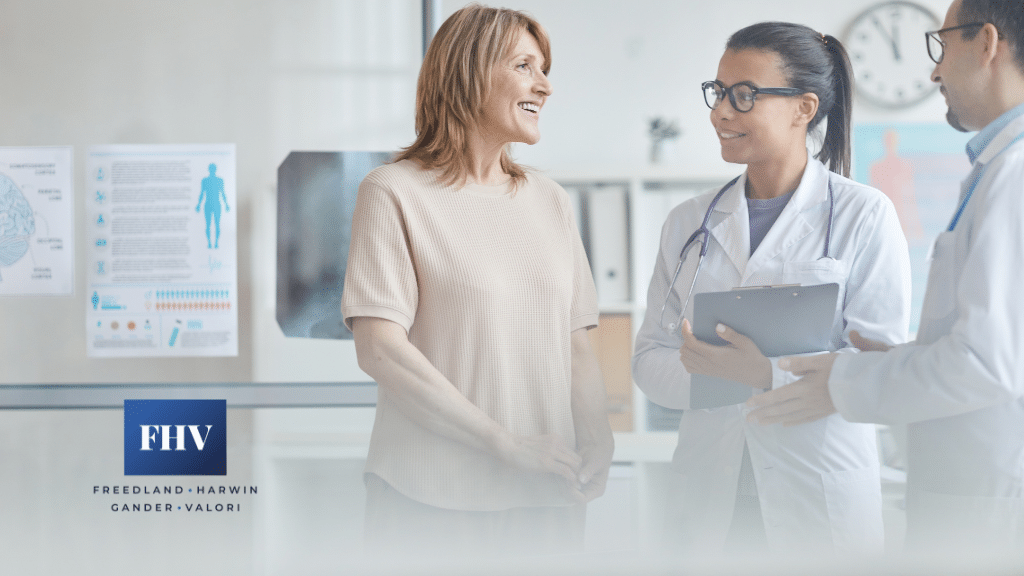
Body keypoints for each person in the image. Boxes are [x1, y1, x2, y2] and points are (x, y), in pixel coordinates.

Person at [747, 0, 1024, 555]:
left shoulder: (1014, 176)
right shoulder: (999, 168)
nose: (935, 71)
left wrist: (845, 382)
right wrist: (890, 365)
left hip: (988, 500)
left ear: (987, 43)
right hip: (970, 489)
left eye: (941, 45)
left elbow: (987, 363)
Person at [341, 4, 614, 559]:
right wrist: (505, 445)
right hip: (430, 500)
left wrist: (599, 441)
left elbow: (575, 340)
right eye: (525, 66)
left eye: (544, 68)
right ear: (468, 73)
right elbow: (380, 351)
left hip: (548, 498)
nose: (545, 85)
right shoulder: (393, 191)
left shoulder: (549, 199)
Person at [631, 22, 911, 557]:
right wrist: (718, 377)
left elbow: (880, 366)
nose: (720, 113)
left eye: (744, 96)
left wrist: (760, 374)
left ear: (803, 108)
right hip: (711, 495)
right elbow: (649, 359)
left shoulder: (863, 215)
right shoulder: (687, 221)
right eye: (718, 93)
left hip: (816, 496)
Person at [196, 163, 228, 249]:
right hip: (208, 204)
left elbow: (223, 193)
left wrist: (226, 204)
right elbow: (202, 193)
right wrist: (199, 204)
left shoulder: (220, 180)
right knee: (208, 225)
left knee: (217, 224)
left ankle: (216, 242)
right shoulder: (205, 181)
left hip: (217, 204)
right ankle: (209, 243)